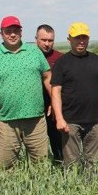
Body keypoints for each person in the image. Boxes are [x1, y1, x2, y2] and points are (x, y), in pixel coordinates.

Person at [0, 15, 52, 169]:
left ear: (21, 32)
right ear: (1, 33)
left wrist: (54, 102)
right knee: (6, 166)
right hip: (6, 120)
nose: (12, 34)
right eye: (8, 31)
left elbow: (47, 77)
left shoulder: (34, 52)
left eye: (16, 30)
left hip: (35, 119)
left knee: (41, 164)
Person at [51, 22, 98, 171]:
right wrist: (59, 118)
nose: (81, 41)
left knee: (93, 163)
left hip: (94, 121)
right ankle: (72, 189)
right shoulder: (62, 62)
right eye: (77, 38)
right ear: (69, 39)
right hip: (70, 122)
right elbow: (55, 91)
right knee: (71, 163)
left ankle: (91, 190)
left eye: (84, 37)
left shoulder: (96, 60)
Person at [35, 24, 64, 162]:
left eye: (50, 40)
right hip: (34, 108)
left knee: (57, 139)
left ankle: (60, 163)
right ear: (36, 39)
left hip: (54, 107)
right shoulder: (29, 56)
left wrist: (55, 103)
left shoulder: (61, 58)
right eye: (43, 40)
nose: (47, 44)